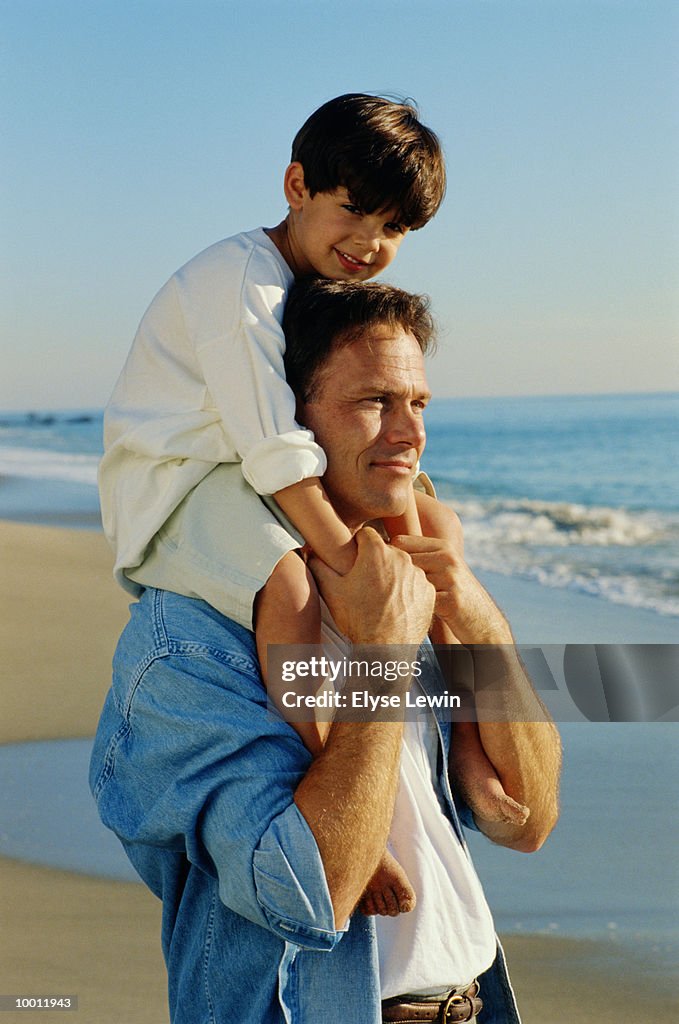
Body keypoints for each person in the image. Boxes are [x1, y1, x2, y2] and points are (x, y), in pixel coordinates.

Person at [90, 278, 562, 1024]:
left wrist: (480, 621)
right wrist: (382, 653)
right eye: (373, 403)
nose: (409, 435)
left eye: (419, 404)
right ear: (286, 418)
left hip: (473, 1003)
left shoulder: (410, 577)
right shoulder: (187, 649)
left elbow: (528, 821)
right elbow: (309, 893)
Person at [97, 91, 521, 914]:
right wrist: (345, 559)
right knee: (291, 581)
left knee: (429, 534)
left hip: (250, 465)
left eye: (393, 230)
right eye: (354, 213)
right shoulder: (239, 279)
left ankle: (465, 750)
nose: (368, 245)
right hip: (183, 482)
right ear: (295, 185)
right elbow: (274, 444)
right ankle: (321, 781)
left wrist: (391, 548)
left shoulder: (312, 282)